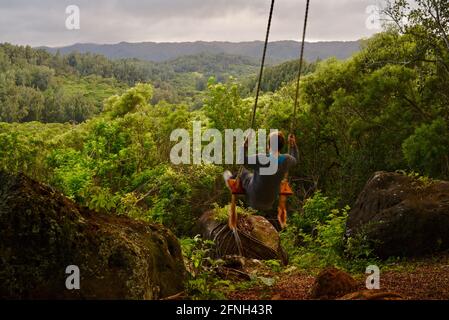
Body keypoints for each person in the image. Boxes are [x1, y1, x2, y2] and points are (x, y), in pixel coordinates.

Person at [223, 131, 299, 213]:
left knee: (243, 172)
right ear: (281, 146)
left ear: (268, 146)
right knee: (252, 176)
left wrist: (245, 145)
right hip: (269, 202)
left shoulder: (261, 159)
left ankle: (231, 181)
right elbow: (295, 159)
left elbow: (241, 160)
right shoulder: (287, 159)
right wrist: (292, 145)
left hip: (254, 199)